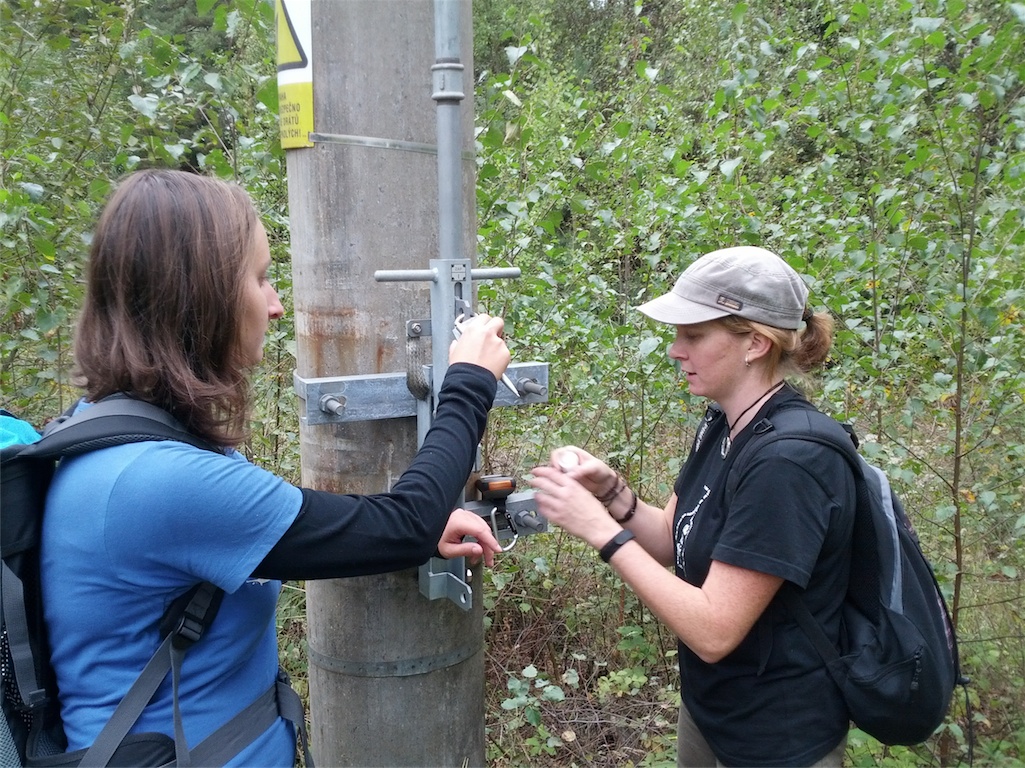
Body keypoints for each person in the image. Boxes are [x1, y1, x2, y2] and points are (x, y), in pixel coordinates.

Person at [40, 168, 507, 766]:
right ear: (196, 297)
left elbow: (359, 528)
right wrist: (468, 383)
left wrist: (405, 530)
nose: (277, 306)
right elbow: (406, 523)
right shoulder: (156, 482)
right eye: (259, 279)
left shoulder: (120, 433)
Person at [529, 246, 854, 767]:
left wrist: (601, 532)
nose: (675, 350)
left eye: (694, 335)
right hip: (712, 712)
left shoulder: (789, 461)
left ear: (755, 343)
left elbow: (713, 631)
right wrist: (610, 492)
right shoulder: (725, 422)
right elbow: (668, 539)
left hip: (776, 737)